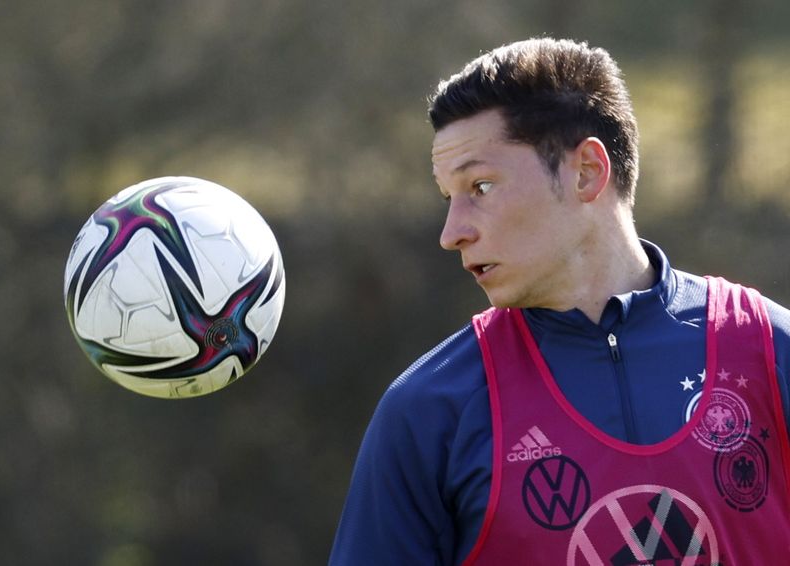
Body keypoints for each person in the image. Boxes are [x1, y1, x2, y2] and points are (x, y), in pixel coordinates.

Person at [329, 37, 790, 565]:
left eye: (480, 187)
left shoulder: (769, 351)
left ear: (587, 172)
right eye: (447, 198)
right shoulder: (429, 411)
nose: (451, 232)